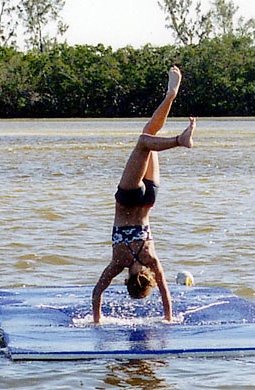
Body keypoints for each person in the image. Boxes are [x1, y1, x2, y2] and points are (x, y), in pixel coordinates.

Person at [92, 66, 196, 324]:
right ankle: (179, 138)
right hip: (127, 199)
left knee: (149, 137)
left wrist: (169, 317)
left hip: (148, 198)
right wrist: (97, 318)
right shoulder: (119, 261)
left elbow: (165, 294)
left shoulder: (152, 260)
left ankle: (171, 96)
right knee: (144, 140)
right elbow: (97, 294)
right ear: (127, 281)